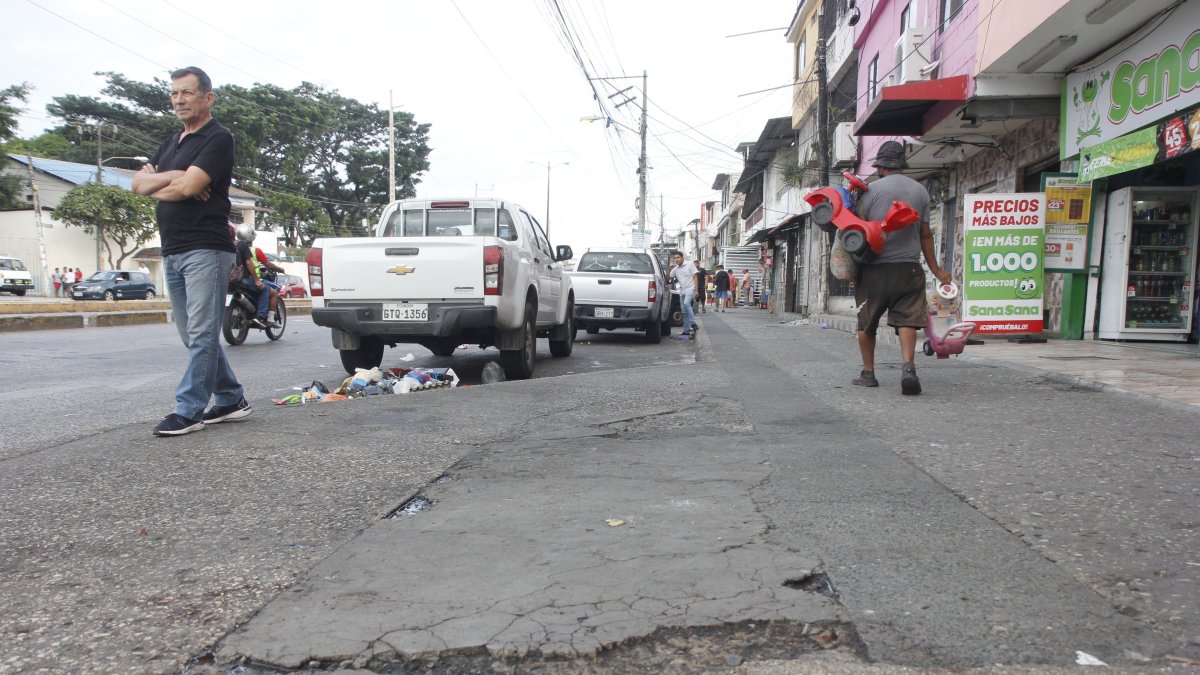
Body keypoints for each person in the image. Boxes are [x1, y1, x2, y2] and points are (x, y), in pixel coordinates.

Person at [132, 66, 250, 436]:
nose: (179, 100)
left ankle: (189, 409)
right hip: (173, 249)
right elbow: (137, 184)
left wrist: (172, 181)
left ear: (207, 97)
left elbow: (191, 187)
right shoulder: (172, 143)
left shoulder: (218, 138)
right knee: (191, 335)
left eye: (187, 93)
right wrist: (174, 177)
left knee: (201, 333)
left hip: (206, 248)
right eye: (174, 94)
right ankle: (231, 398)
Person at [851, 140, 951, 396]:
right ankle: (908, 368)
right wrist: (938, 271)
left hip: (875, 269)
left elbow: (857, 232)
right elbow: (926, 235)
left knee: (866, 323)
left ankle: (869, 374)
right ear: (901, 165)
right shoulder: (920, 192)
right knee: (907, 320)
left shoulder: (869, 192)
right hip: (909, 269)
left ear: (881, 166)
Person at [233, 224, 274, 325]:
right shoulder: (243, 245)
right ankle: (260, 316)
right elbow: (248, 263)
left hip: (230, 280)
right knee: (265, 290)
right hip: (243, 279)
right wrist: (257, 280)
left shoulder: (231, 244)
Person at [668, 252, 698, 336]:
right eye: (675, 258)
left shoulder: (689, 264)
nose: (676, 259)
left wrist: (696, 290)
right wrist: (669, 268)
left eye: (678, 257)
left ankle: (693, 323)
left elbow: (695, 277)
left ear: (682, 257)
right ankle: (686, 330)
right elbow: (668, 277)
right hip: (682, 290)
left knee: (686, 303)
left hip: (690, 288)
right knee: (683, 311)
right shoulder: (675, 269)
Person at [254, 246, 286, 311]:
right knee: (274, 290)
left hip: (237, 279)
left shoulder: (237, 247)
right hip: (253, 279)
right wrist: (280, 269)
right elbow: (268, 264)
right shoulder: (256, 250)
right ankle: (266, 316)